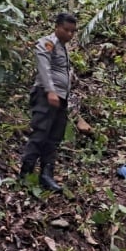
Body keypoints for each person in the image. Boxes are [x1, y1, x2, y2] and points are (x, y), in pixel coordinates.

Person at [19, 13, 78, 192]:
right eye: (66, 30)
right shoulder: (48, 42)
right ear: (57, 27)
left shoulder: (63, 47)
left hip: (61, 97)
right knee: (41, 133)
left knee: (54, 137)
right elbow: (43, 67)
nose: (70, 34)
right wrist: (50, 91)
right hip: (46, 95)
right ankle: (25, 173)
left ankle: (46, 175)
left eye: (72, 31)